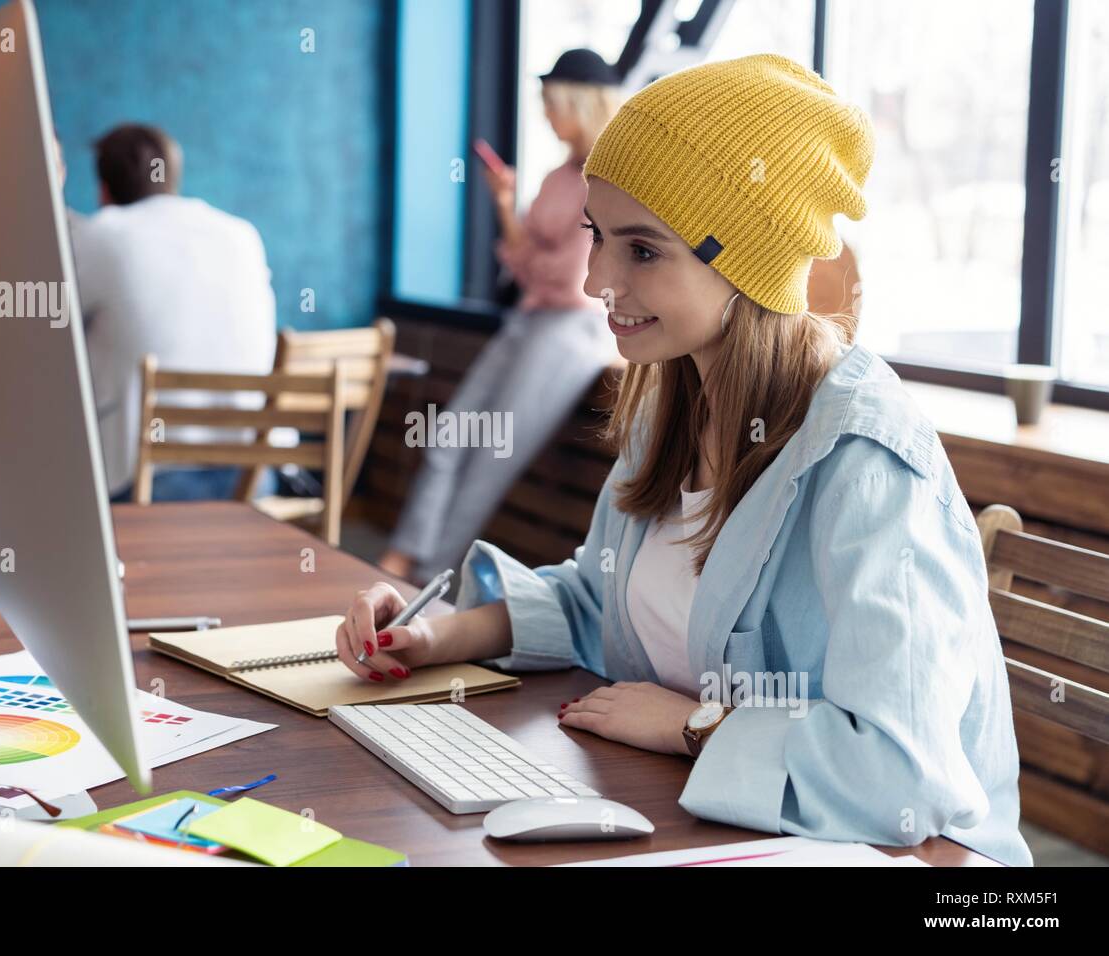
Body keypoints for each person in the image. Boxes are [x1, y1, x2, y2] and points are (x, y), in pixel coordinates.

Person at [334, 54, 1031, 867]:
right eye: (599, 236)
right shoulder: (670, 400)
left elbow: (902, 775)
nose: (596, 279)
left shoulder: (868, 462)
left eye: (642, 251)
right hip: (713, 831)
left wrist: (694, 726)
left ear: (747, 266)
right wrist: (438, 634)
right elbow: (606, 602)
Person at [378, 49, 622, 585]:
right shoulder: (560, 177)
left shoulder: (607, 179)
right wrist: (506, 204)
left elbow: (567, 278)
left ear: (577, 104)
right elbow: (529, 264)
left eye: (549, 103)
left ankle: (426, 579)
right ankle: (403, 556)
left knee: (491, 456)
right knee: (451, 433)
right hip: (530, 319)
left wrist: (529, 251)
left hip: (570, 332)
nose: (543, 114)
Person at [69, 124, 279, 500]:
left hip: (148, 487)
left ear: (104, 190)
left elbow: (47, 330)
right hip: (253, 482)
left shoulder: (101, 234)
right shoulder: (242, 235)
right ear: (173, 178)